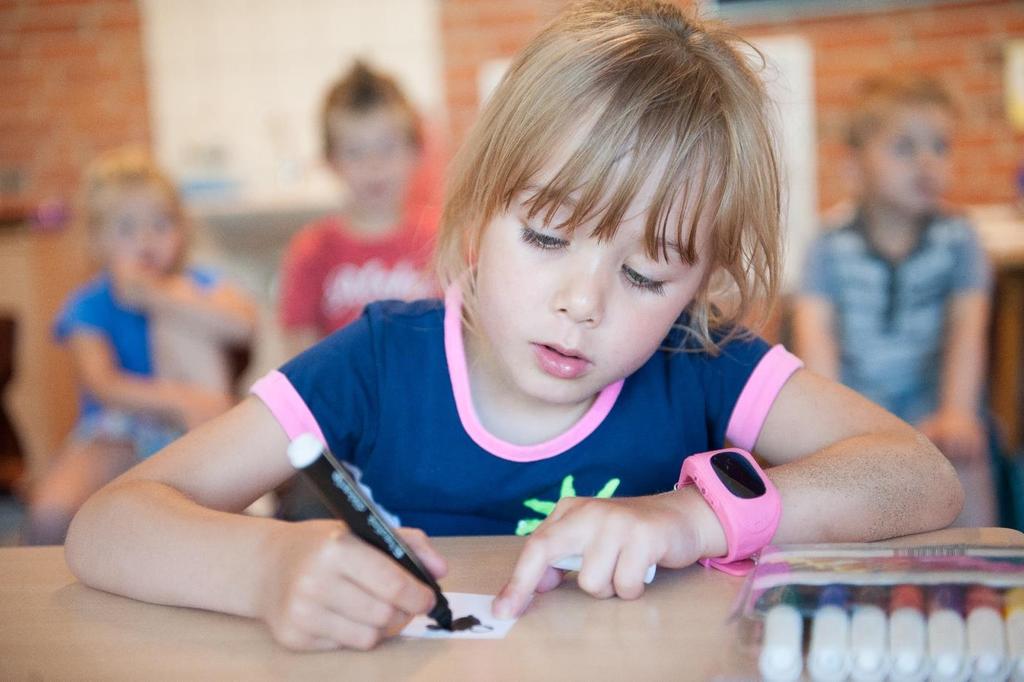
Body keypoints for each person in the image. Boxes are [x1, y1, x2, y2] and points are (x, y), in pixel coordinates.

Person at [65, 1, 962, 652]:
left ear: (699, 283)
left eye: (646, 273)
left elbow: (917, 474)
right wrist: (264, 572)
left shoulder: (700, 362)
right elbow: (111, 522)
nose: (584, 302)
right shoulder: (380, 359)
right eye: (545, 235)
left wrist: (693, 519)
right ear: (473, 218)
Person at [23, 147, 258, 545]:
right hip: (117, 427)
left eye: (160, 224)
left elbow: (243, 326)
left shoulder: (196, 284)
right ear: (97, 241)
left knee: (226, 522)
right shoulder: (90, 302)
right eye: (127, 229)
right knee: (51, 514)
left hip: (195, 427)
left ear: (181, 230)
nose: (146, 240)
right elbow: (103, 383)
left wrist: (159, 296)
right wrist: (180, 399)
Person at [793, 75, 994, 527]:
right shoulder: (828, 246)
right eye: (904, 148)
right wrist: (835, 429)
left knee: (967, 458)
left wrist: (956, 411)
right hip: (858, 411)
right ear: (854, 166)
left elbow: (968, 329)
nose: (927, 162)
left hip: (935, 408)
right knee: (829, 482)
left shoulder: (959, 239)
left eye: (940, 147)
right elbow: (816, 341)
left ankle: (990, 571)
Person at [277, 60, 435, 358]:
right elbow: (301, 357)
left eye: (387, 147)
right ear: (330, 161)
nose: (373, 165)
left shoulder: (444, 240)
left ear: (415, 151)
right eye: (355, 152)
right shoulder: (311, 251)